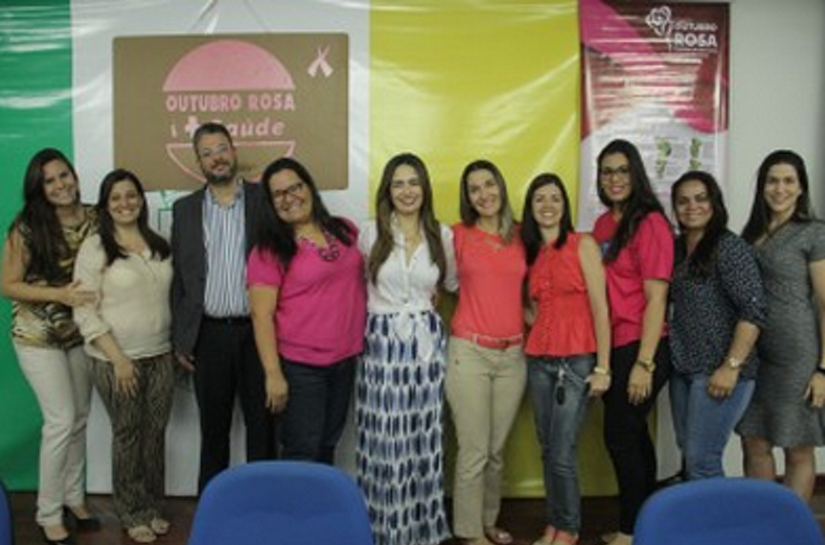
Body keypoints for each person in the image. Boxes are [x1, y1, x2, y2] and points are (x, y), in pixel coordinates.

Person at [356, 152, 457, 545]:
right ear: (387, 190)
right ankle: (384, 528)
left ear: (424, 187)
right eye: (398, 183)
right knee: (385, 439)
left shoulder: (442, 235)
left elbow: (454, 285)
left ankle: (423, 528)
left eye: (413, 182)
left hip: (427, 347)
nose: (407, 190)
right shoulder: (369, 233)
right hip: (381, 345)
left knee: (424, 436)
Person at [0, 148, 99, 545]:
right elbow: (7, 284)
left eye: (64, 175)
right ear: (39, 189)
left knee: (78, 418)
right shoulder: (26, 226)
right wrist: (60, 294)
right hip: (36, 336)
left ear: (74, 175)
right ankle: (47, 512)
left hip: (79, 333)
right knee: (59, 421)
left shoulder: (95, 217)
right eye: (51, 181)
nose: (61, 185)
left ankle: (75, 499)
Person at [171, 122, 275, 492]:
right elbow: (180, 282)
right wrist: (182, 339)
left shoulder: (265, 201)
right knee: (213, 433)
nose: (217, 157)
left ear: (233, 150)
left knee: (263, 430)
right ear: (198, 161)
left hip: (258, 333)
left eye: (221, 148)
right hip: (208, 336)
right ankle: (214, 518)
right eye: (207, 152)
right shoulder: (184, 210)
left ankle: (262, 511)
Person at [72, 169, 175, 543]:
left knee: (155, 435)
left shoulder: (160, 243)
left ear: (142, 200)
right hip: (116, 360)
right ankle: (131, 512)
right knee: (128, 435)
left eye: (131, 195)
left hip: (161, 355)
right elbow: (83, 311)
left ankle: (152, 505)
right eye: (115, 198)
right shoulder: (96, 248)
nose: (125, 203)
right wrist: (118, 359)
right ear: (105, 205)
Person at [247, 157, 365, 463]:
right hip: (301, 368)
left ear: (309, 187)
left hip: (344, 361)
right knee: (302, 451)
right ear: (271, 204)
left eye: (295, 187)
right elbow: (261, 316)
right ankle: (295, 511)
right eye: (279, 194)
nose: (290, 198)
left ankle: (319, 511)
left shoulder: (344, 230)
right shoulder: (268, 250)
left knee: (328, 444)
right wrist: (273, 375)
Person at [522, 174, 611, 545]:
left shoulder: (582, 244)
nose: (547, 205)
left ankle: (570, 528)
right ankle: (555, 522)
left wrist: (602, 367)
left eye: (555, 198)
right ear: (530, 207)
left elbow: (600, 308)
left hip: (576, 361)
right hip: (539, 361)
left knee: (562, 451)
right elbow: (529, 306)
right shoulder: (529, 252)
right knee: (547, 447)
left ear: (565, 205)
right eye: (539, 198)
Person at [591, 139, 673, 545]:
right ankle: (646, 525)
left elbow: (657, 297)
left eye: (623, 170)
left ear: (635, 173)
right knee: (635, 436)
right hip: (613, 345)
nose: (615, 179)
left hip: (644, 345)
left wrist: (645, 363)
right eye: (607, 171)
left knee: (621, 436)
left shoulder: (651, 223)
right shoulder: (604, 225)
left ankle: (630, 531)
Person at [446, 160, 527, 545]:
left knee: (495, 451)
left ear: (501, 187)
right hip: (470, 353)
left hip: (513, 356)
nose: (483, 194)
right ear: (467, 197)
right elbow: (441, 282)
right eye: (474, 189)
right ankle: (469, 533)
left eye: (489, 185)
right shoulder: (457, 236)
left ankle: (487, 520)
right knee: (475, 450)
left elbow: (527, 295)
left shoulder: (521, 236)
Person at [736, 150, 825, 501]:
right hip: (755, 356)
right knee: (754, 438)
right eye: (772, 180)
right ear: (762, 187)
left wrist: (823, 368)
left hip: (797, 355)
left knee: (797, 446)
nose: (780, 188)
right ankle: (762, 524)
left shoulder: (813, 233)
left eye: (789, 181)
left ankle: (792, 532)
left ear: (801, 187)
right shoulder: (751, 233)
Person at [668, 171, 766, 481]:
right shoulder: (678, 248)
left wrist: (731, 366)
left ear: (714, 203)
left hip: (721, 371)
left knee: (703, 459)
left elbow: (754, 310)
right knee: (690, 453)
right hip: (685, 367)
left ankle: (718, 528)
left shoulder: (729, 247)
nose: (691, 207)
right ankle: (698, 526)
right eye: (682, 201)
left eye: (700, 198)